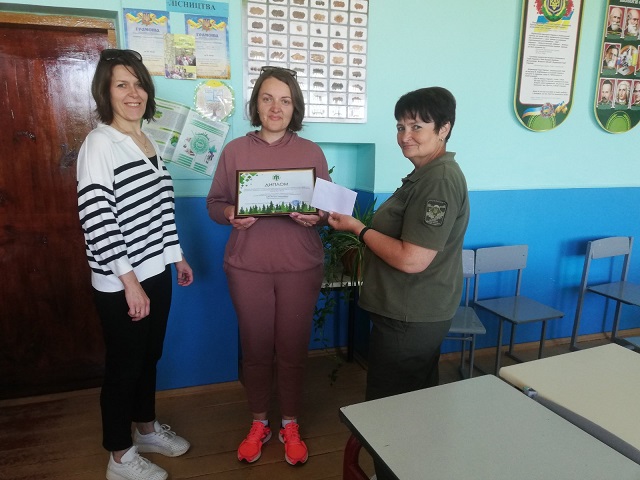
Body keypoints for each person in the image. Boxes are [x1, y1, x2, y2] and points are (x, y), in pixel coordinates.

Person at [327, 87, 469, 480]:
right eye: (400, 126)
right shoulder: (423, 175)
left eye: (417, 126)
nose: (405, 135)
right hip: (410, 312)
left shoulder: (439, 180)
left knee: (387, 414)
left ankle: (392, 471)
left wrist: (358, 229)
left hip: (411, 316)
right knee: (413, 407)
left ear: (444, 129)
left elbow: (412, 259)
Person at [77, 48, 194, 480]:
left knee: (149, 357)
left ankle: (145, 430)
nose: (133, 92)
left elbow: (161, 210)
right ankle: (120, 457)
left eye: (139, 83)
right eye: (121, 84)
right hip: (122, 281)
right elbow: (97, 217)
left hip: (154, 271)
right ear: (105, 93)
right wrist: (129, 282)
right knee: (124, 367)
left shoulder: (146, 141)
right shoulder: (100, 143)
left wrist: (175, 256)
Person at [206, 66, 330, 466]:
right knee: (256, 349)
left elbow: (326, 209)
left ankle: (289, 423)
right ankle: (259, 422)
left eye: (285, 100)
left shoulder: (311, 152)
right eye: (267, 98)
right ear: (256, 104)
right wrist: (230, 213)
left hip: (300, 267)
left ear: (295, 108)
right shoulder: (235, 151)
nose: (276, 108)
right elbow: (214, 204)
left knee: (293, 349)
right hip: (248, 267)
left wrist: (317, 216)